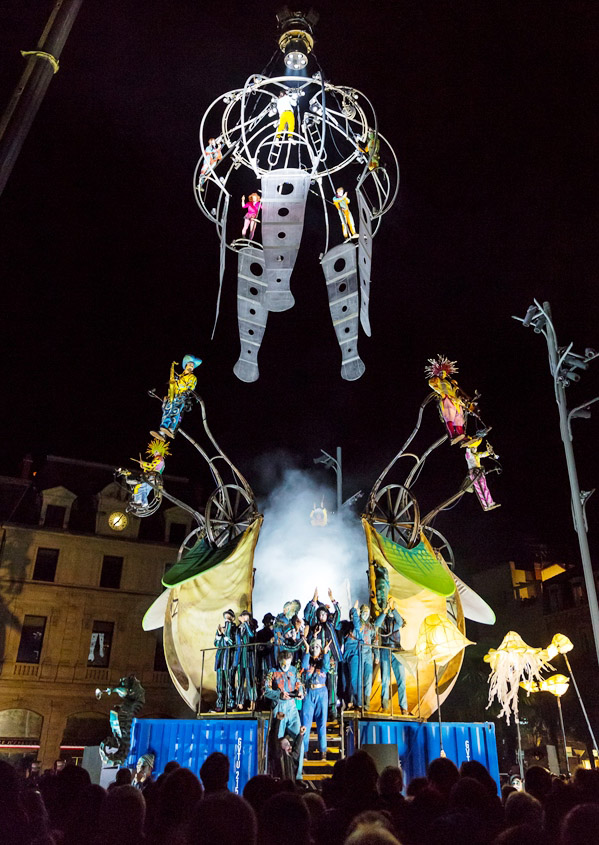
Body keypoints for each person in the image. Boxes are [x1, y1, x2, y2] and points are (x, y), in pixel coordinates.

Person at [373, 566, 408, 715]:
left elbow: (400, 622)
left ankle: (404, 707)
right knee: (385, 679)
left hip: (396, 650)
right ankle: (385, 705)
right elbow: (376, 624)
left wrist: (393, 609)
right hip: (385, 650)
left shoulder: (395, 619)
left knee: (401, 680)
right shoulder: (380, 617)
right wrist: (385, 611)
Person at [264, 650, 305, 777]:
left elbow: (299, 684)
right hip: (279, 706)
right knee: (277, 742)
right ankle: (277, 774)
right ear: (279, 661)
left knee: (300, 738)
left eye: (288, 663)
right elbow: (265, 690)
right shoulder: (272, 672)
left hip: (292, 706)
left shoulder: (294, 670)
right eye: (283, 664)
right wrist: (278, 694)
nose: (285, 666)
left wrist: (300, 692)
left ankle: (298, 776)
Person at [304, 587, 342, 719]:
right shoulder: (315, 626)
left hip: (331, 658)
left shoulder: (331, 624)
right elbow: (307, 615)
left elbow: (338, 612)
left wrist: (332, 599)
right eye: (320, 614)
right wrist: (314, 600)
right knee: (317, 682)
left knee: (332, 682)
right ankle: (317, 709)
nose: (322, 616)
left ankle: (333, 709)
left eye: (324, 614)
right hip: (317, 659)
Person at [425, 355, 475, 445]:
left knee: (458, 416)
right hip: (446, 398)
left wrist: (455, 387)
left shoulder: (448, 382)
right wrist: (441, 393)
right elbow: (432, 385)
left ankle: (462, 436)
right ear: (438, 373)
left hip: (454, 399)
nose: (443, 374)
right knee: (449, 415)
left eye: (444, 373)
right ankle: (453, 434)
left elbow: (452, 391)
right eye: (441, 373)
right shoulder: (436, 379)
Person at [152, 355, 202, 441]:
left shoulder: (192, 377)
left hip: (182, 397)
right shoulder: (179, 376)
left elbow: (190, 387)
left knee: (175, 411)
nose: (191, 366)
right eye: (190, 364)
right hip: (172, 396)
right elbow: (172, 386)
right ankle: (162, 432)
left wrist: (181, 383)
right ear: (186, 365)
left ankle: (171, 428)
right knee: (167, 411)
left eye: (193, 366)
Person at [301, 638, 331, 761]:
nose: (314, 649)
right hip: (309, 692)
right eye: (313, 647)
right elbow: (303, 666)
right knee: (305, 723)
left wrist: (326, 653)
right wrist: (307, 650)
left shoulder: (322, 661)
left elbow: (326, 667)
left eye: (317, 647)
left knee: (322, 723)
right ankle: (304, 752)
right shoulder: (308, 662)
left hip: (321, 692)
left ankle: (323, 751)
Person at [345, 600, 377, 709]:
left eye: (367, 613)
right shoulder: (356, 624)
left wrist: (376, 654)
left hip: (367, 652)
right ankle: (355, 701)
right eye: (364, 612)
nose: (366, 615)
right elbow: (355, 623)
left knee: (367, 678)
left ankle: (365, 702)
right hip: (358, 651)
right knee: (355, 678)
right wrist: (354, 610)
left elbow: (375, 640)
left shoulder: (370, 626)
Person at [128, 438, 170, 509]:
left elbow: (151, 465)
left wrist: (143, 463)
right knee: (145, 490)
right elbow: (151, 468)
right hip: (155, 479)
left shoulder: (159, 458)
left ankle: (138, 501)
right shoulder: (161, 460)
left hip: (153, 477)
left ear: (159, 451)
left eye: (155, 452)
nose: (154, 454)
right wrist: (143, 466)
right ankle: (144, 504)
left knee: (140, 487)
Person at [464, 438, 501, 511]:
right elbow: (467, 451)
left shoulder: (476, 454)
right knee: (480, 488)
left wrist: (489, 451)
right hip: (474, 472)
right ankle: (486, 505)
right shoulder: (468, 455)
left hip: (479, 471)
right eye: (473, 447)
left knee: (484, 487)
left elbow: (483, 454)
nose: (475, 448)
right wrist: (468, 446)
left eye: (476, 447)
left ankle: (490, 502)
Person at [214, 609, 237, 712]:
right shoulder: (222, 628)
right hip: (220, 658)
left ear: (232, 618)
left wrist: (226, 632)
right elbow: (216, 643)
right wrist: (219, 634)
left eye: (229, 617)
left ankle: (230, 702)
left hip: (229, 659)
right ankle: (220, 702)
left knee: (229, 682)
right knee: (220, 682)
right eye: (225, 617)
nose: (226, 619)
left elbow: (231, 642)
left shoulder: (234, 629)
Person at [234, 610, 257, 710]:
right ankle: (239, 702)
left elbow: (251, 635)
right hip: (240, 657)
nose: (245, 618)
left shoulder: (251, 627)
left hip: (249, 657)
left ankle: (252, 702)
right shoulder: (238, 629)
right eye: (243, 616)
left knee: (250, 680)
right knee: (240, 681)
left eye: (247, 617)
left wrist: (245, 624)